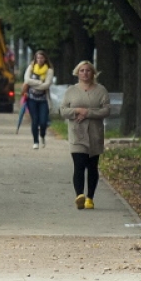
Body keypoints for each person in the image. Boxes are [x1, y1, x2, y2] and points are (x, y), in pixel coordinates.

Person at [60, 60, 110, 210]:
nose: (85, 73)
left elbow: (106, 110)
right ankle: (79, 195)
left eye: (88, 70)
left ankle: (90, 197)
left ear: (93, 73)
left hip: (95, 133)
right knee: (79, 165)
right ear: (77, 73)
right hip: (77, 133)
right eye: (82, 70)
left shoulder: (101, 90)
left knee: (93, 167)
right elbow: (63, 111)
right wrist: (76, 111)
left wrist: (88, 113)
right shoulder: (71, 91)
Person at [23, 50, 54, 149]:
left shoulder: (49, 70)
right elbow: (27, 80)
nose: (39, 60)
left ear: (45, 59)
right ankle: (35, 141)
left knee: (43, 121)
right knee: (35, 120)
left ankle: (42, 135)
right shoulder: (31, 67)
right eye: (38, 58)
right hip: (31, 99)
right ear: (35, 59)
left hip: (43, 100)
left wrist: (34, 83)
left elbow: (47, 85)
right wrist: (40, 83)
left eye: (41, 58)